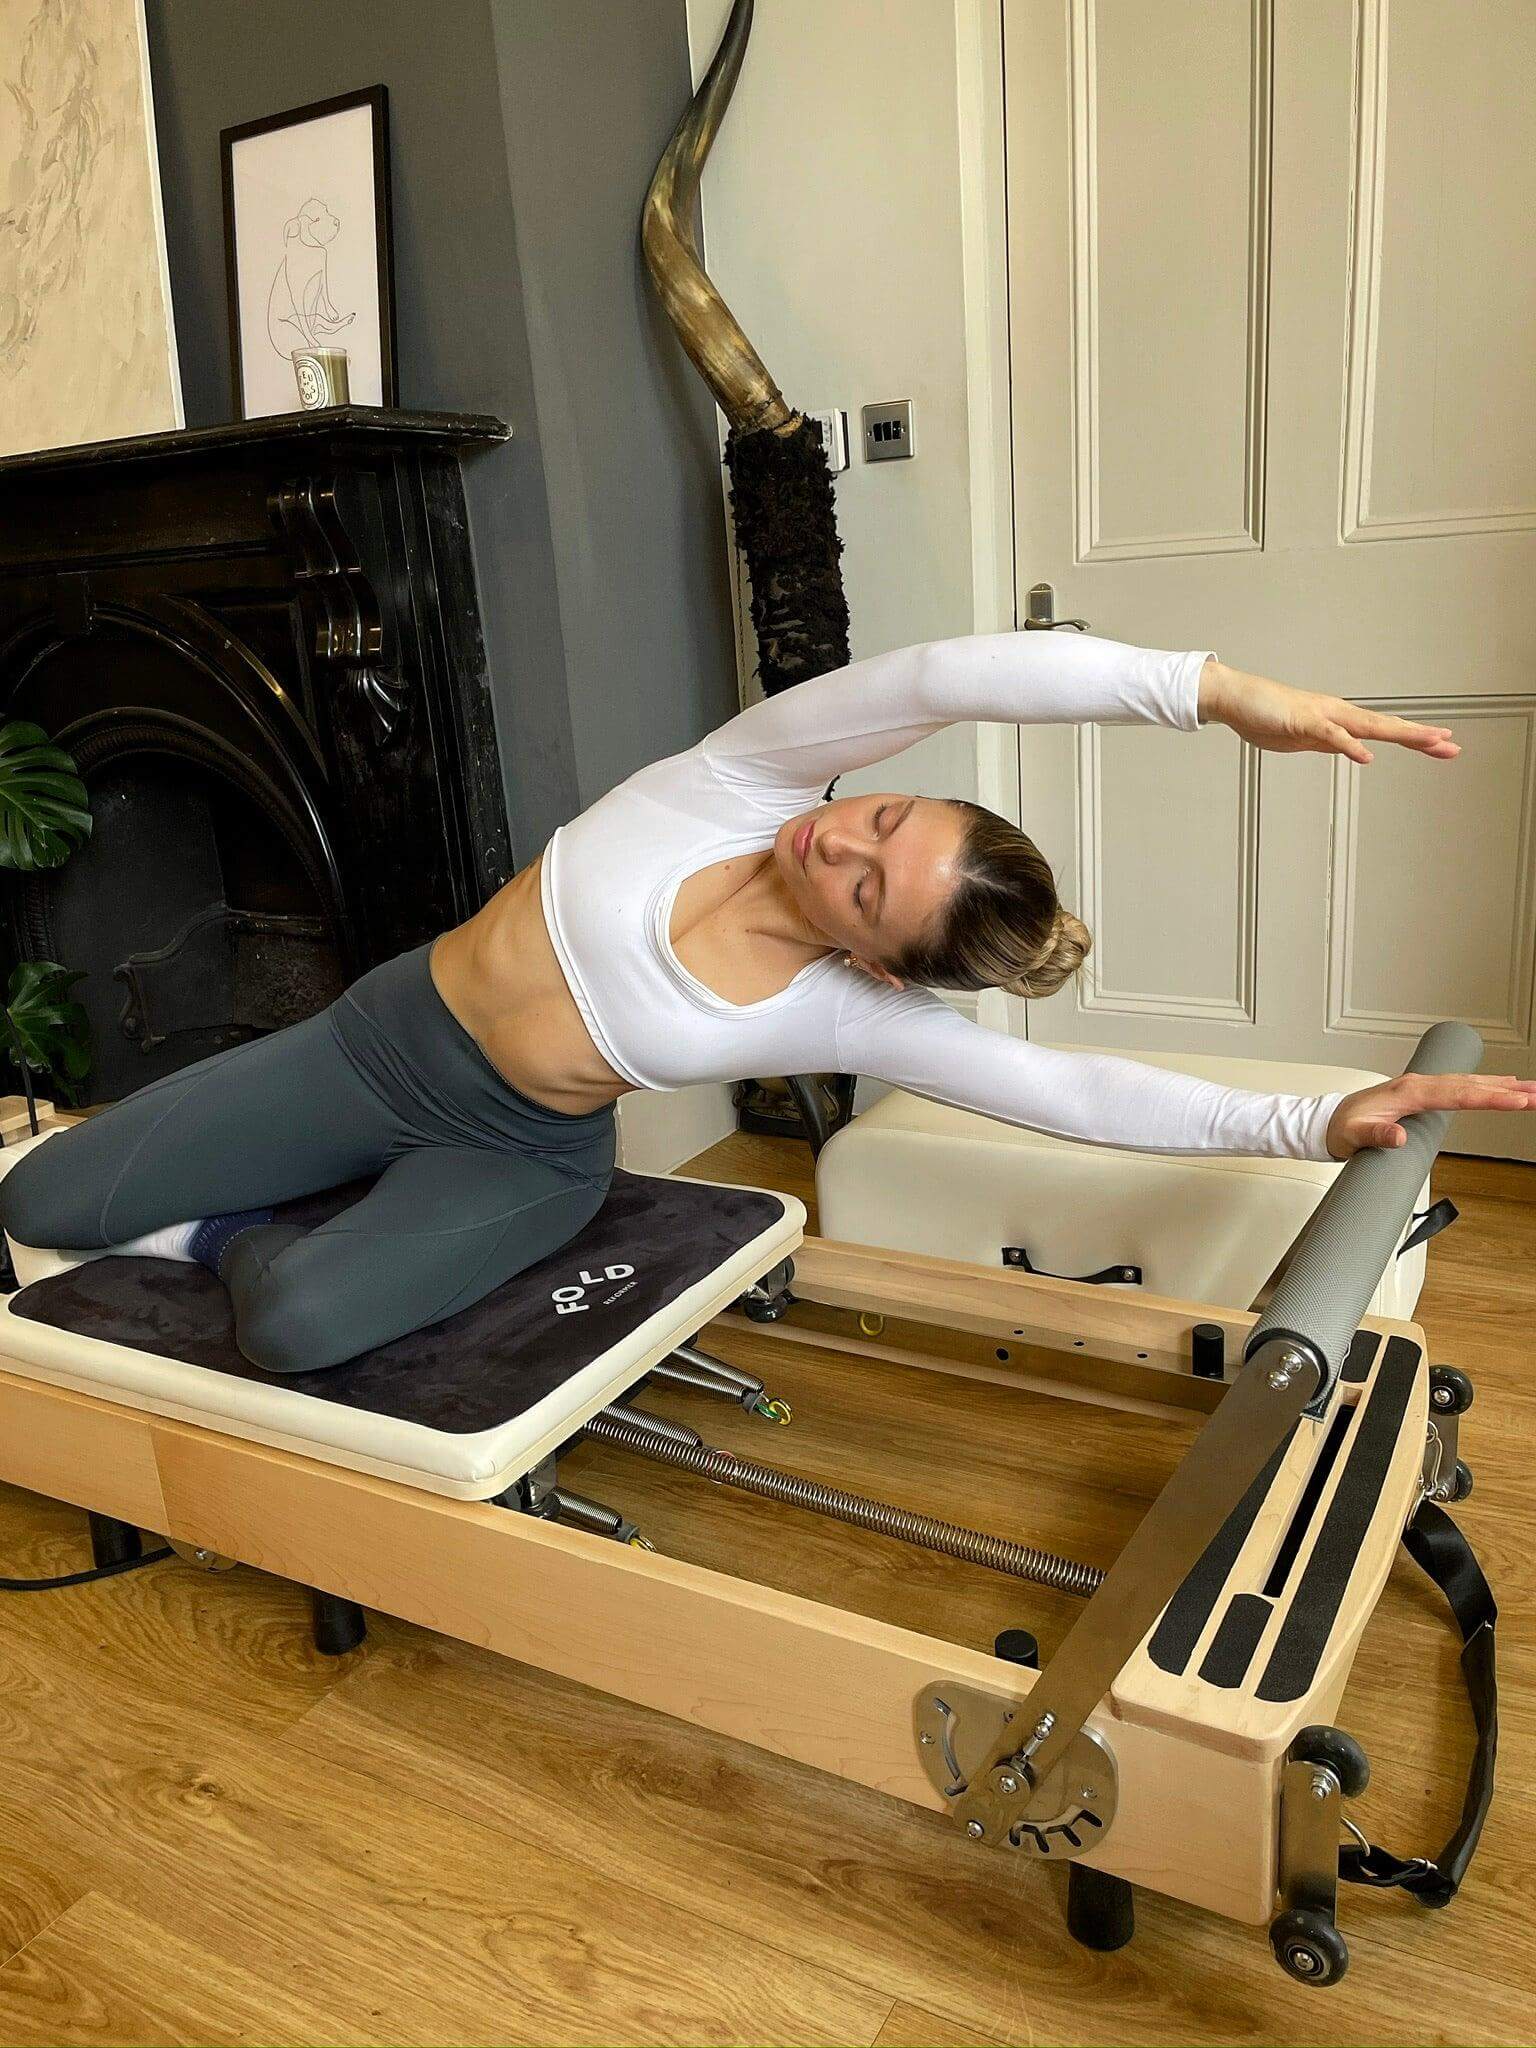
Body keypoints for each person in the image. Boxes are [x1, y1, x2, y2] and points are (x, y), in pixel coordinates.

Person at [0, 631, 1527, 1375]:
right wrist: (1209, 689)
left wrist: (1319, 1115)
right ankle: (307, 1176)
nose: (841, 841)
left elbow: (1083, 1099)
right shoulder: (749, 776)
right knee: (56, 1193)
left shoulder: (841, 1018)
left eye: (872, 886)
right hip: (375, 1043)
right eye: (885, 819)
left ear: (874, 963)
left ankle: (260, 1227)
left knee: (297, 1322)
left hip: (519, 1151)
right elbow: (956, 668)